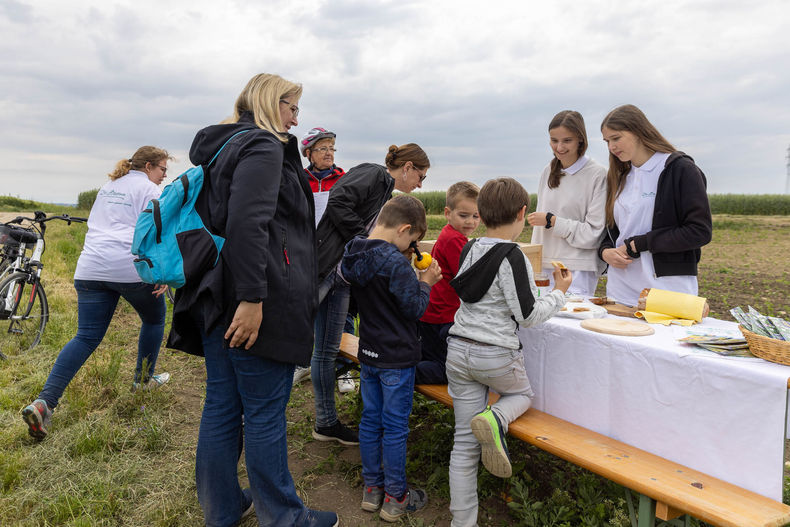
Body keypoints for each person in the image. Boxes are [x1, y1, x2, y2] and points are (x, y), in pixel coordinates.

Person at [166, 73, 338, 527]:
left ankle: (222, 509)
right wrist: (253, 299)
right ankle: (284, 518)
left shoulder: (224, 146)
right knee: (263, 411)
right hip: (256, 297)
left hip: (213, 293)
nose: (296, 118)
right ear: (269, 102)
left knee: (222, 404)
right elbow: (248, 224)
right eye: (292, 107)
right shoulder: (262, 147)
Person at [21, 147, 171, 441]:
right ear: (150, 166)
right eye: (163, 170)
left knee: (86, 336)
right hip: (129, 268)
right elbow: (156, 231)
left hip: (90, 268)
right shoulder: (148, 189)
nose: (165, 176)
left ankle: (44, 403)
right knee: (154, 320)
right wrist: (162, 271)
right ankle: (142, 382)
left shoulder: (109, 186)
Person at [445, 178, 571, 527]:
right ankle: (495, 419)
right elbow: (528, 316)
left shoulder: (469, 248)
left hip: (457, 351)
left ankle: (462, 522)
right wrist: (560, 293)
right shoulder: (512, 255)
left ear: (482, 214)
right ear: (522, 213)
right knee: (521, 394)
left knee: (463, 444)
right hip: (495, 355)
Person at [311, 143, 431, 446]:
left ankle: (326, 422)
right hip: (325, 266)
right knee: (290, 336)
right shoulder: (374, 174)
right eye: (421, 176)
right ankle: (257, 411)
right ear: (407, 167)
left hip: (343, 276)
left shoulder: (386, 194)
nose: (420, 184)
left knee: (327, 350)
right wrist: (365, 241)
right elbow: (338, 201)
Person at [341, 194, 442, 522]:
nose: (411, 249)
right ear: (405, 229)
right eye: (413, 241)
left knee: (371, 420)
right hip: (397, 358)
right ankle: (397, 496)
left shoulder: (353, 251)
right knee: (395, 426)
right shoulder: (395, 262)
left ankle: (373, 489)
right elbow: (414, 308)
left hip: (368, 351)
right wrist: (425, 282)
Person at [598, 104, 713, 307]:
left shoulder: (680, 169)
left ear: (638, 131)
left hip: (667, 289)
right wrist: (605, 251)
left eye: (616, 138)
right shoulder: (619, 176)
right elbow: (614, 231)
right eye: (607, 141)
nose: (611, 147)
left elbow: (699, 231)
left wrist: (642, 243)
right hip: (620, 289)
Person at [293, 127, 355, 394]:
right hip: (307, 253)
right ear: (308, 153)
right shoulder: (299, 179)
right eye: (322, 149)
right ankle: (301, 361)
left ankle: (344, 369)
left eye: (331, 148)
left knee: (345, 313)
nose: (329, 153)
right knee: (306, 309)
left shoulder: (343, 179)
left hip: (338, 254)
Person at [527, 110, 607, 296]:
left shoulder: (597, 174)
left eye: (567, 141)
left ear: (580, 139)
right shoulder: (548, 171)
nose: (559, 147)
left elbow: (594, 233)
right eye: (554, 140)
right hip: (542, 267)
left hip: (577, 269)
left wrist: (552, 221)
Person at [416, 181, 480, 384]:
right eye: (464, 215)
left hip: (433, 313)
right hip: (444, 316)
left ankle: (402, 368)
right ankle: (399, 370)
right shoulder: (455, 241)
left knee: (431, 357)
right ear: (447, 212)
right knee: (447, 370)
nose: (470, 221)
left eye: (476, 216)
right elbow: (470, 278)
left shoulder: (449, 234)